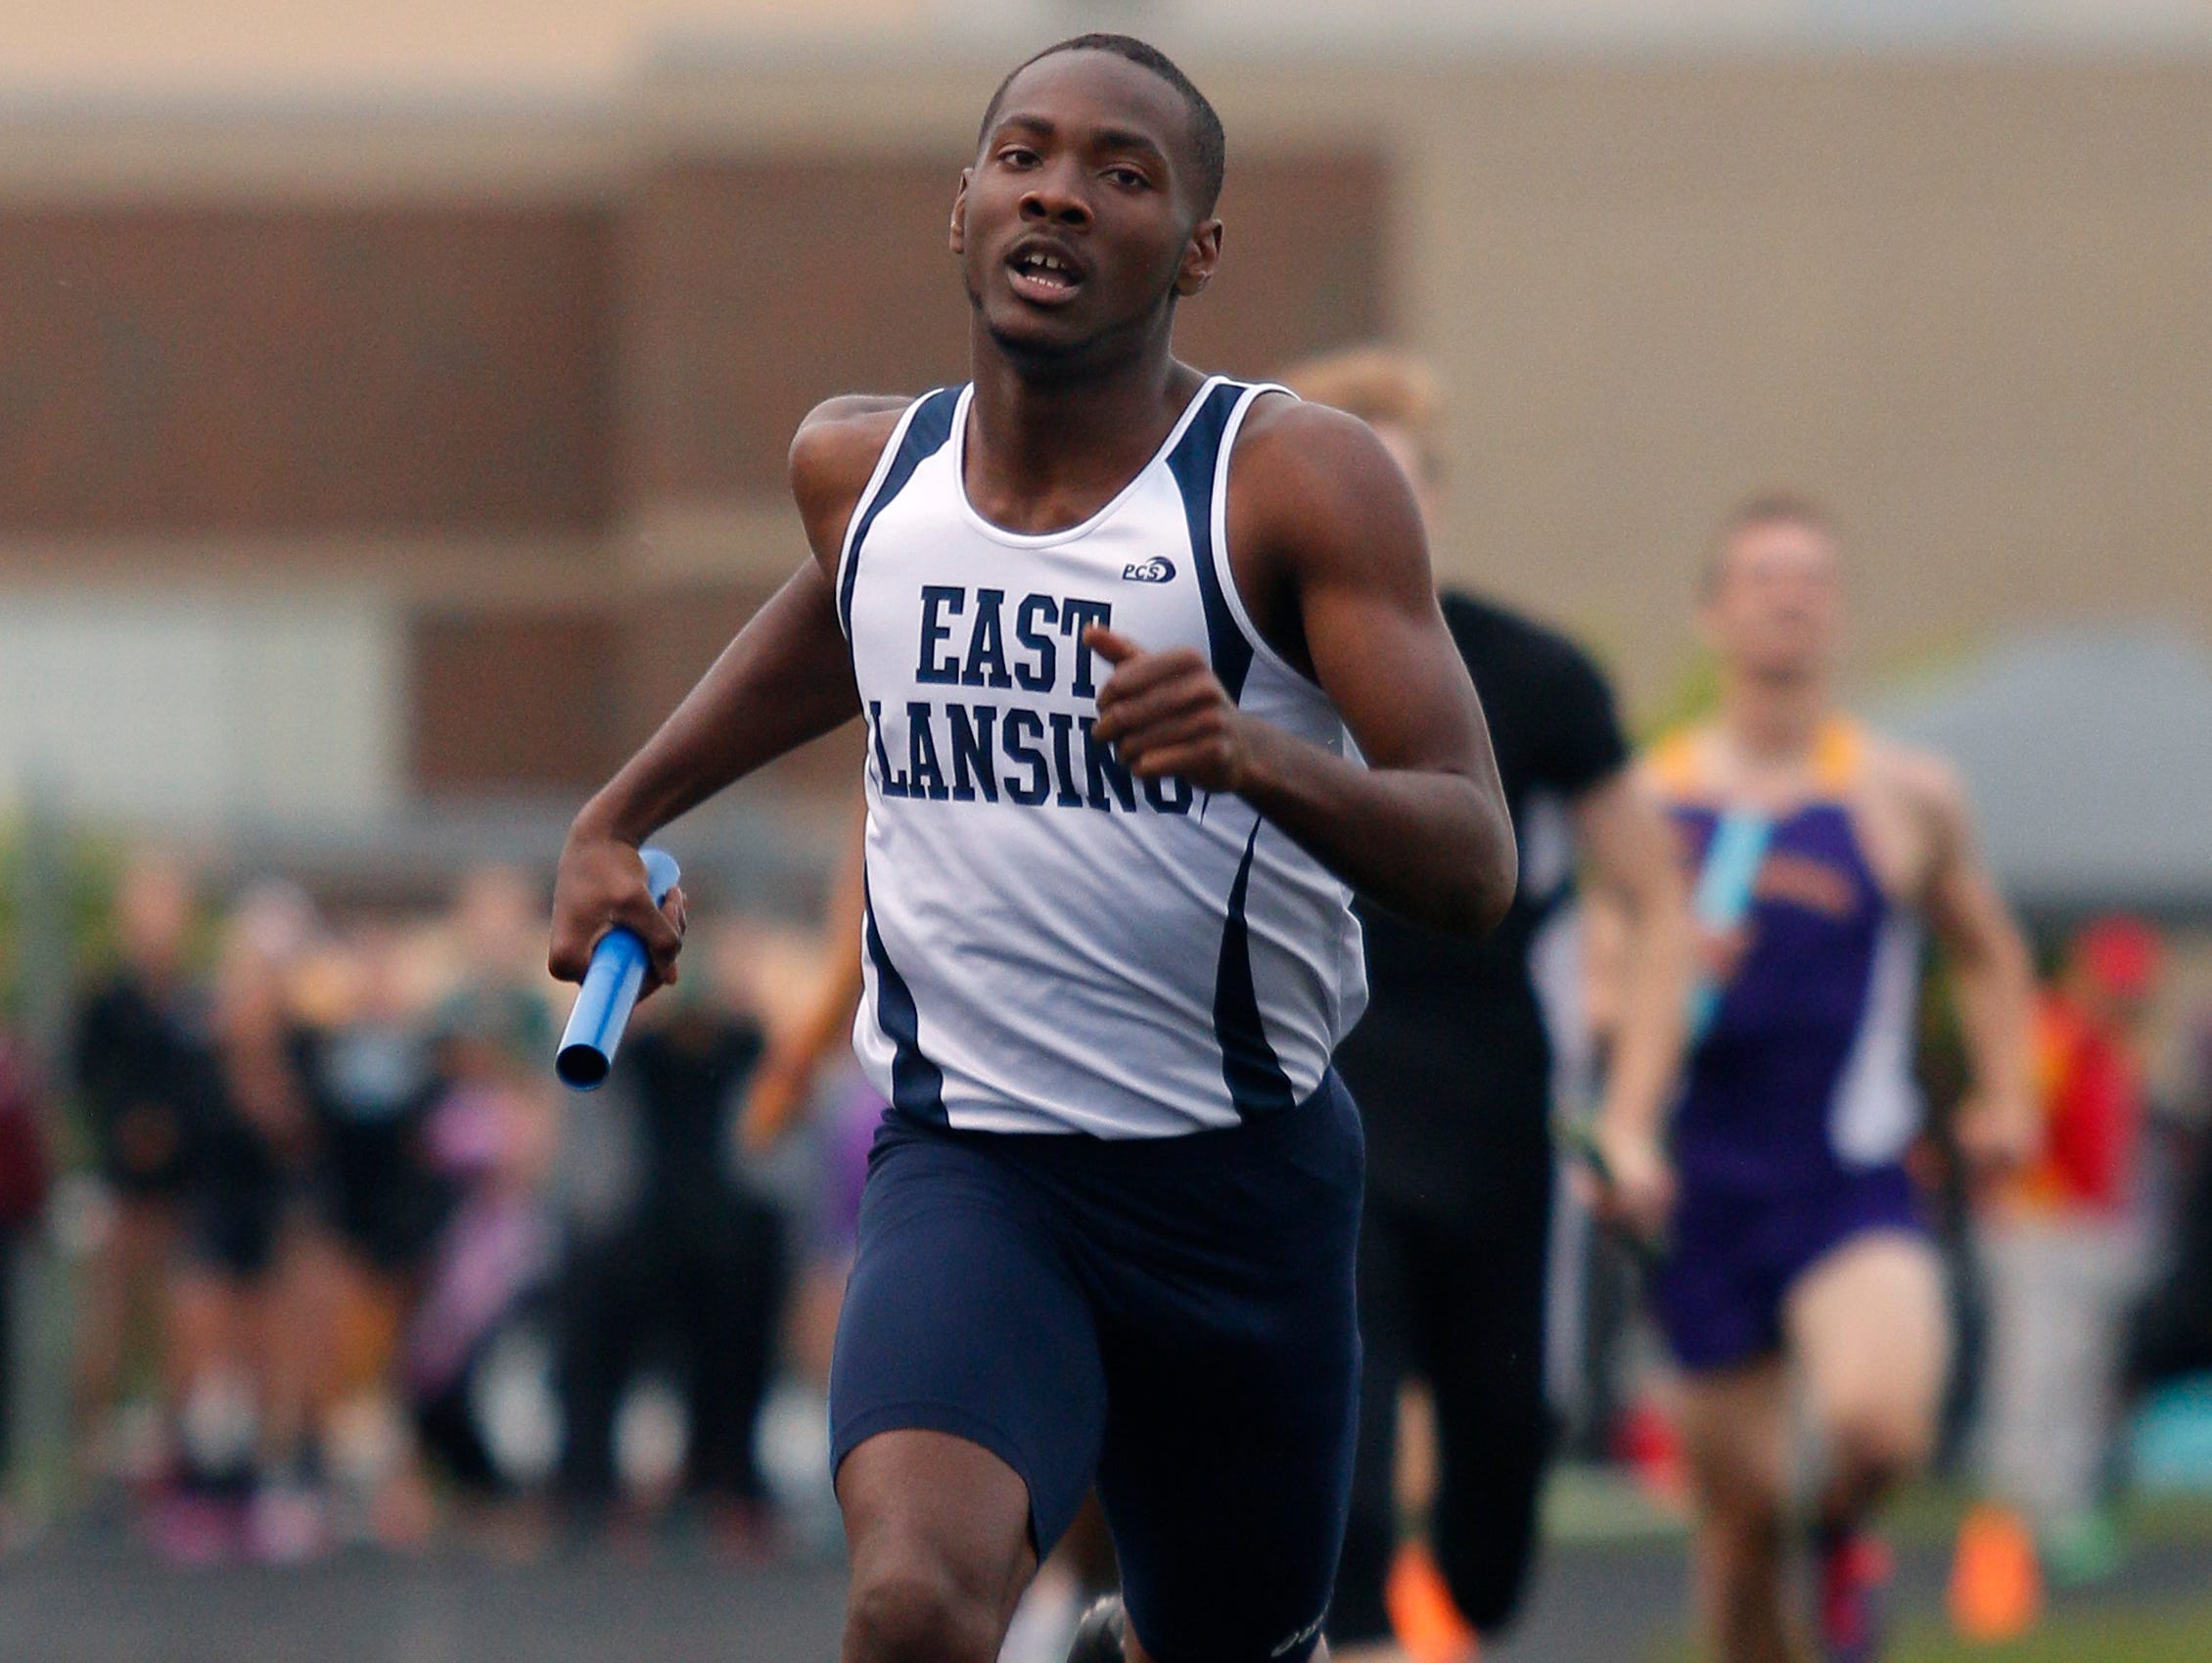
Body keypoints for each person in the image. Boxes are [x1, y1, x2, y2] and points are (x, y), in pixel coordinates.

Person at [549, 32, 1515, 1663]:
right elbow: (839, 620)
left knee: (1236, 1641)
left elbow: (1474, 854)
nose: (1060, 192)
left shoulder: (1290, 487)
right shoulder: (864, 471)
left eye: (1121, 174)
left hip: (1241, 1180)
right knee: (915, 1602)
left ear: (1197, 249)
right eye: (1027, 156)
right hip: (974, 1164)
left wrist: (1251, 755)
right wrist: (617, 815)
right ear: (965, 204)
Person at [1273, 349, 1693, 1660]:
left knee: (1497, 1500)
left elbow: (1659, 901)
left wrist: (1628, 1115)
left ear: (1432, 507)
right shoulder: (1244, 671)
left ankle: (1466, 1581)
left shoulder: (1536, 675)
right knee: (1343, 1441)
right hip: (1316, 1091)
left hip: (1498, 1106)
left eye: (1395, 488)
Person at [1633, 493, 2035, 1663]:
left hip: (1847, 1174)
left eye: (1811, 577)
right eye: (1762, 576)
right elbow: (1597, 992)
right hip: (1699, 1188)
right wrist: (1664, 974)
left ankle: (1849, 1528)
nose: (1789, 596)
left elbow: (1990, 951)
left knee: (1877, 1420)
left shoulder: (1902, 796)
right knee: (1740, 1524)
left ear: (1839, 613)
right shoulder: (1652, 802)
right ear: (1714, 614)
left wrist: (2004, 1091)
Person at [1977, 916, 2161, 1578]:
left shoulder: (2115, 1048)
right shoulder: (2051, 1031)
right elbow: (2016, 1118)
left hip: (2090, 1227)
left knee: (2080, 1370)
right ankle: (2019, 1505)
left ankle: (2063, 1500)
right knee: (2036, 1366)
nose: (2123, 999)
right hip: (2041, 1225)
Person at [69, 852, 202, 1487]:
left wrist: (174, 1133)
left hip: (178, 1195)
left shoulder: (192, 1001)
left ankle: (170, 1467)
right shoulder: (106, 1001)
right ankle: (89, 1463)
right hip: (122, 1192)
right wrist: (126, 1131)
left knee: (177, 1332)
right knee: (108, 1328)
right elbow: (86, 1083)